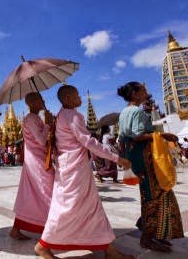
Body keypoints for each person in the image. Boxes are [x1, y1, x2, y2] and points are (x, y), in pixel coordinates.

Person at [35, 85, 133, 259]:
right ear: (66, 98)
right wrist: (117, 158)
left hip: (71, 168)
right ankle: (43, 245)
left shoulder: (61, 116)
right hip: (74, 171)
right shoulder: (72, 116)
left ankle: (108, 248)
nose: (80, 98)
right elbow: (89, 142)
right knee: (67, 209)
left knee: (91, 207)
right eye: (76, 96)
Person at [117, 82, 183, 253]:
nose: (147, 92)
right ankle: (147, 237)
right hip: (145, 158)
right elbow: (138, 135)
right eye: (143, 90)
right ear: (134, 94)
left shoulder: (124, 112)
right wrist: (162, 134)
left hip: (136, 158)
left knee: (149, 193)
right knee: (156, 194)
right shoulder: (137, 111)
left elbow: (123, 138)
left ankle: (150, 229)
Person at [11, 92, 55, 240]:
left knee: (32, 195)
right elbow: (41, 140)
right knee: (46, 192)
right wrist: (48, 124)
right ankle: (52, 226)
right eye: (40, 99)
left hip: (39, 159)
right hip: (36, 162)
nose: (43, 101)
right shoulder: (30, 119)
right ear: (32, 103)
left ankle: (16, 229)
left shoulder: (35, 118)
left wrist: (50, 124)